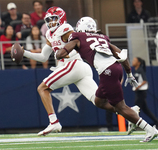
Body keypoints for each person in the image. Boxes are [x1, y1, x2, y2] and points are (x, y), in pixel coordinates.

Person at [56, 16, 158, 142]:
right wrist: (129, 74)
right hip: (116, 68)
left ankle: (149, 129)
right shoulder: (102, 37)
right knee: (99, 101)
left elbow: (60, 54)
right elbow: (120, 53)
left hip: (107, 71)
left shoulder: (78, 38)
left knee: (120, 107)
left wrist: (60, 50)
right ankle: (131, 113)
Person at [21, 7, 121, 136]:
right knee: (98, 101)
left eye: (54, 19)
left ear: (61, 18)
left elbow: (77, 43)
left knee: (42, 88)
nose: (51, 22)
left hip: (73, 64)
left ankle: (54, 122)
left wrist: (71, 52)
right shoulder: (49, 34)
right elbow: (43, 57)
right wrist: (24, 53)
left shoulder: (65, 28)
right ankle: (130, 113)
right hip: (80, 69)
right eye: (49, 19)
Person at [130, 57, 158, 130]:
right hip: (138, 92)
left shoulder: (140, 70)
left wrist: (137, 86)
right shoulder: (135, 70)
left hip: (141, 92)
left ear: (139, 63)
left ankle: (135, 125)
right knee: (146, 110)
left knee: (136, 109)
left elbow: (145, 80)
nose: (133, 61)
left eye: (134, 60)